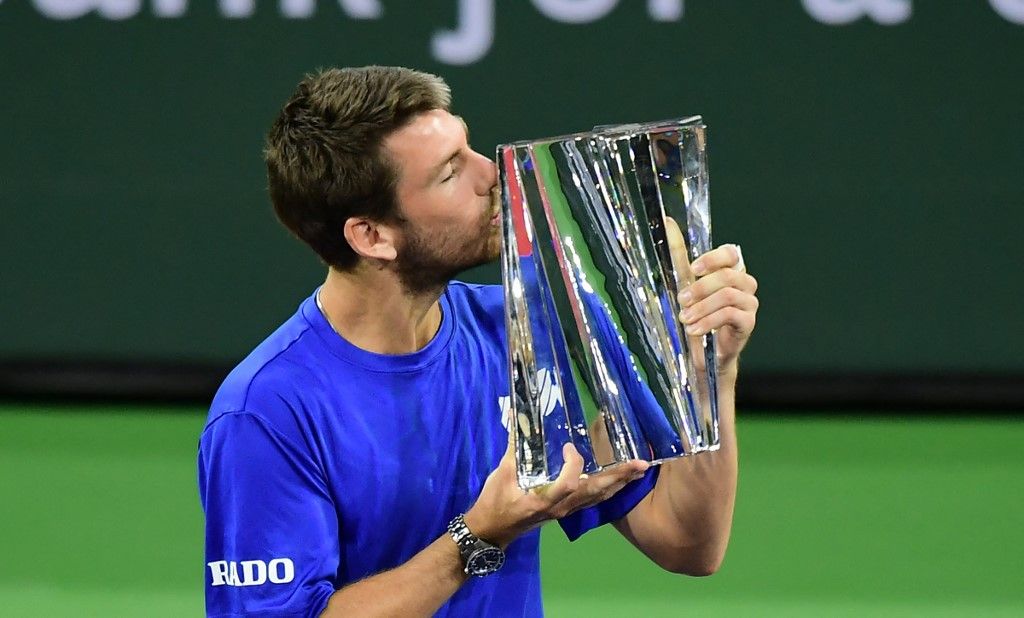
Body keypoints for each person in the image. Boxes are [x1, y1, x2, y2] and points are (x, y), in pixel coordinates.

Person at [198, 65, 759, 617]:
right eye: (448, 173)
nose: (490, 173)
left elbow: (689, 545)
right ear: (371, 236)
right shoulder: (266, 410)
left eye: (467, 146)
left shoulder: (518, 332)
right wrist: (478, 536)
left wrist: (711, 370)